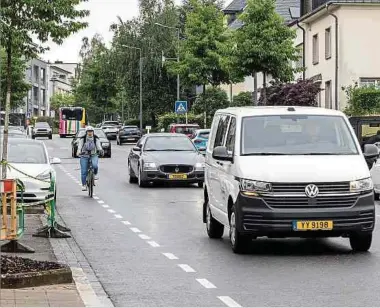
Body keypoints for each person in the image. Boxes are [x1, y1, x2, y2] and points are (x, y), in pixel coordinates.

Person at [77, 126, 104, 191]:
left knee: (95, 165)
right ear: (86, 132)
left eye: (91, 131)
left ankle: (94, 174)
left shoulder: (95, 138)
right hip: (84, 156)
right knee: (84, 171)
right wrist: (78, 152)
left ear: (93, 132)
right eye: (88, 131)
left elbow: (98, 146)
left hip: (93, 155)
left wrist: (100, 150)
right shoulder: (82, 139)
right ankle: (84, 184)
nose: (90, 133)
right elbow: (79, 147)